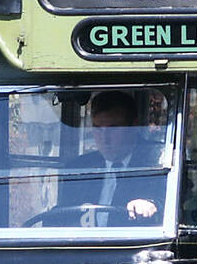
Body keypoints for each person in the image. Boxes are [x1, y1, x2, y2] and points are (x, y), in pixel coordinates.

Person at [61, 90, 166, 224]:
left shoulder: (158, 159)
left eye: (113, 129)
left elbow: (174, 202)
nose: (104, 139)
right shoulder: (78, 167)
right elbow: (62, 216)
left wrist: (151, 204)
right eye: (98, 128)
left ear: (134, 126)